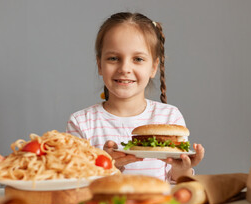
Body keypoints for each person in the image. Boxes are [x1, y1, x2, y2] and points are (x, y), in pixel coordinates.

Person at [66, 12, 204, 183]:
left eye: (138, 59)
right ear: (99, 65)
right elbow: (73, 184)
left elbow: (177, 184)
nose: (125, 68)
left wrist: (183, 170)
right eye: (113, 58)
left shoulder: (170, 117)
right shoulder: (81, 123)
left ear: (154, 67)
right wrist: (105, 169)